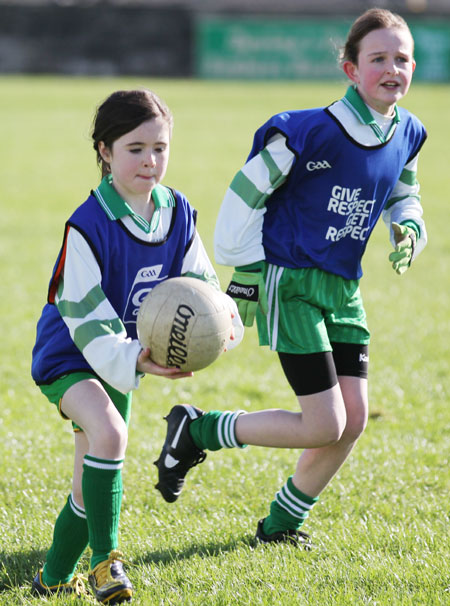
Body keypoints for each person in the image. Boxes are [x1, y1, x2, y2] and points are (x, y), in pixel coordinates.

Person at [154, 8, 427, 547]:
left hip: (344, 288)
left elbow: (404, 190)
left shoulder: (409, 131)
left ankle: (280, 525)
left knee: (353, 421)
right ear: (351, 69)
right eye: (378, 59)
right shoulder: (307, 132)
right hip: (291, 280)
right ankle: (201, 429)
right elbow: (243, 194)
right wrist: (248, 266)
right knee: (325, 422)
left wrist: (409, 228)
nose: (392, 68)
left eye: (402, 58)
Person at [31, 89, 241, 603]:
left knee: (90, 480)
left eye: (160, 147)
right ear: (104, 150)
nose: (150, 161)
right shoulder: (88, 223)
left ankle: (52, 579)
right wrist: (133, 358)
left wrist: (224, 319)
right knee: (111, 433)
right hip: (72, 354)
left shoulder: (177, 212)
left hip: (125, 357)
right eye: (135, 148)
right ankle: (106, 563)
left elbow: (199, 281)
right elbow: (83, 313)